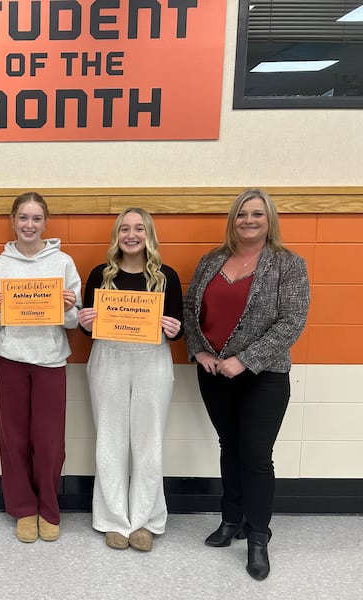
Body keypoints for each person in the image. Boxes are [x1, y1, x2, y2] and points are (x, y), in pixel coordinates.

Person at [183, 189, 310, 581]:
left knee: (255, 457)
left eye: (257, 214)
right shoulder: (211, 261)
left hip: (264, 377)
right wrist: (198, 351)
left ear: (269, 219)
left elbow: (292, 321)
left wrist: (245, 360)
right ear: (232, 220)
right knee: (229, 448)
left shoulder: (289, 265)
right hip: (215, 374)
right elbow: (190, 309)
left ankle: (258, 537)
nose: (249, 220)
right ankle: (231, 520)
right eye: (242, 214)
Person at [77, 208, 183, 552]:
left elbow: (179, 327)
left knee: (148, 442)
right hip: (108, 357)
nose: (132, 234)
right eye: (125, 229)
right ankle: (112, 521)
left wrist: (174, 328)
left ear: (149, 234)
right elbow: (85, 327)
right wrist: (85, 320)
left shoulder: (167, 276)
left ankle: (145, 521)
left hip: (152, 359)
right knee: (110, 440)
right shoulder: (100, 274)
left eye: (139, 228)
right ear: (117, 235)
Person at [0, 192, 81, 543]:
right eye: (23, 217)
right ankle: (23, 508)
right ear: (13, 221)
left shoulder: (63, 263)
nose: (29, 225)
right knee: (14, 439)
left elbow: (73, 323)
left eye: (36, 218)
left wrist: (69, 307)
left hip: (50, 361)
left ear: (45, 223)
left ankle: (49, 510)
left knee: (50, 441)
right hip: (9, 359)